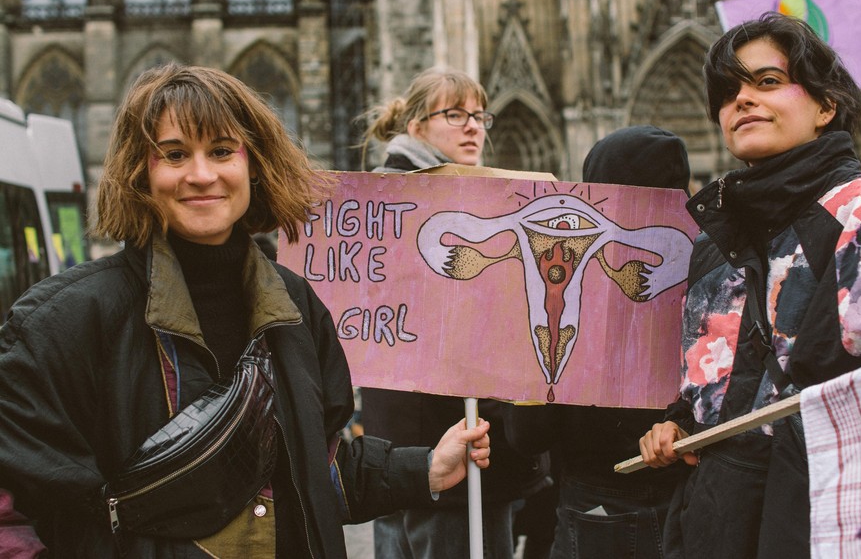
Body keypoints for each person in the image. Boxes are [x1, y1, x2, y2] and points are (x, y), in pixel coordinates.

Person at [0, 63, 493, 558]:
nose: (201, 174)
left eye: (220, 151)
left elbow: (310, 467)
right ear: (139, 170)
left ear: (253, 163)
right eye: (174, 154)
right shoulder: (63, 322)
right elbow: (13, 509)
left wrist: (424, 467)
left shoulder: (298, 306)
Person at [638, 12, 861, 558]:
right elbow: (713, 379)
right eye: (727, 91)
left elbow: (841, 382)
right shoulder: (716, 238)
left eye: (767, 82)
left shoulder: (859, 210)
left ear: (825, 105)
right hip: (717, 513)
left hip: (822, 513)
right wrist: (677, 424)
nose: (741, 99)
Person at [359, 66, 551, 558]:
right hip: (450, 443)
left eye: (479, 115)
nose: (474, 126)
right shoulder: (409, 202)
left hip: (400, 447)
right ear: (417, 126)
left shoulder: (406, 198)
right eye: (455, 114)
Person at [505, 125, 691, 559]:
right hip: (693, 500)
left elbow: (528, 434)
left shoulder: (560, 288)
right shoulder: (720, 268)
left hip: (597, 506)